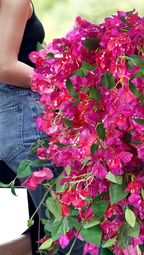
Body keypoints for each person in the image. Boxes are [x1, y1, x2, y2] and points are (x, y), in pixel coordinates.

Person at [0, 1, 86, 254]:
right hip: (25, 121)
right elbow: (5, 66)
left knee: (44, 233)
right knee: (75, 235)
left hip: (11, 126)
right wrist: (64, 87)